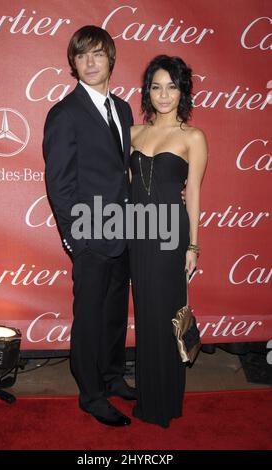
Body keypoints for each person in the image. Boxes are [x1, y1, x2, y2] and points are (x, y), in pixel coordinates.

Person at [43, 25, 136, 427]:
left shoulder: (125, 109)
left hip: (126, 229)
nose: (90, 62)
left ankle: (113, 376)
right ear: (73, 64)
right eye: (82, 56)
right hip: (90, 234)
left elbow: (125, 172)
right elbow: (59, 183)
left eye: (97, 54)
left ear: (110, 58)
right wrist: (74, 237)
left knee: (115, 313)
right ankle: (91, 394)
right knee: (89, 317)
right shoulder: (64, 114)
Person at [130, 55, 208, 427]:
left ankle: (165, 402)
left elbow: (192, 193)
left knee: (167, 316)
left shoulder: (192, 136)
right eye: (156, 86)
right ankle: (146, 397)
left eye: (172, 86)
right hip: (136, 234)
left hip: (169, 235)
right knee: (145, 315)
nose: (164, 94)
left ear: (183, 91)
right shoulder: (132, 133)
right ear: (148, 91)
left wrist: (192, 246)